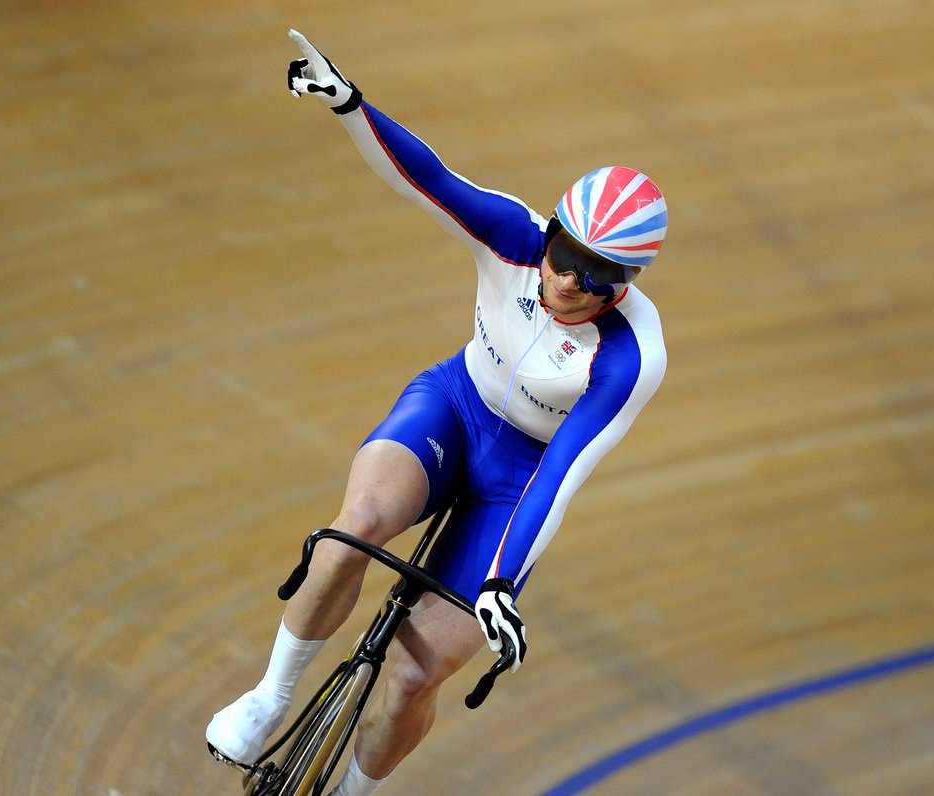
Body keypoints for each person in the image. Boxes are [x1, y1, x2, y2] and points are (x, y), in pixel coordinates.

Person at [206, 29, 669, 795]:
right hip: (454, 406)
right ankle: (269, 698)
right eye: (565, 256)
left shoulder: (628, 357)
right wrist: (352, 106)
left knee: (415, 674)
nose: (570, 283)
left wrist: (501, 581)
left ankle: (353, 791)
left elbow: (560, 473)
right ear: (547, 232)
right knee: (356, 526)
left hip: (517, 480)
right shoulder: (511, 236)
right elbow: (427, 177)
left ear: (628, 282)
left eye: (599, 276)